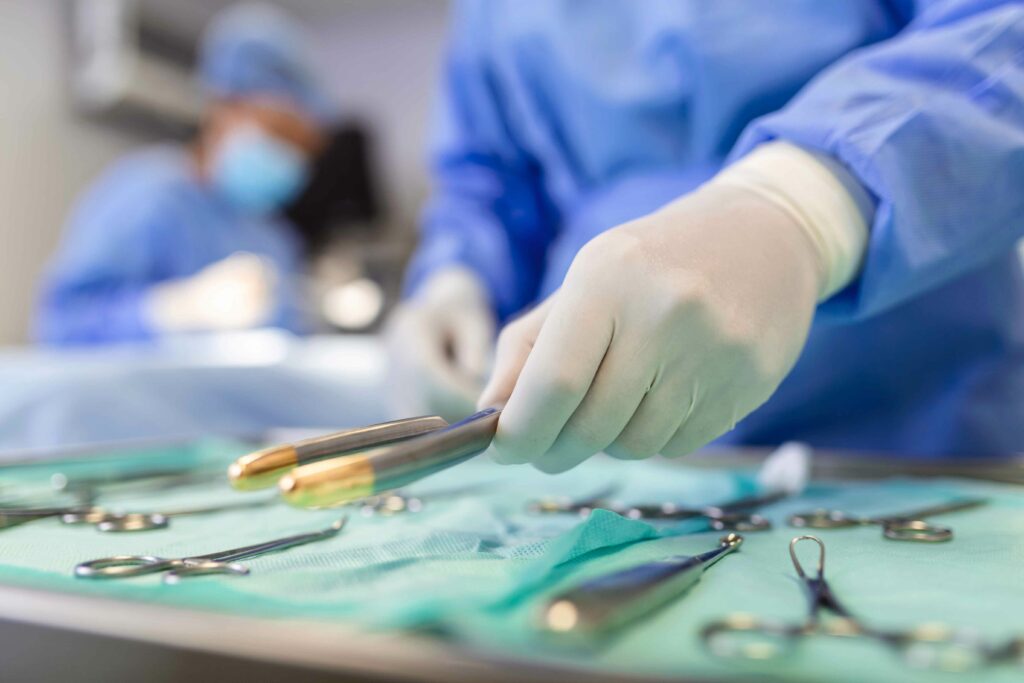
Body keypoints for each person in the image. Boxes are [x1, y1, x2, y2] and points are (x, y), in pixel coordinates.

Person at [390, 0, 1024, 470]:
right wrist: (458, 275)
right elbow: (491, 171)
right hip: (595, 456)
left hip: (907, 439)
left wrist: (805, 204)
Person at [35, 3, 332, 345]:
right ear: (222, 108)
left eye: (304, 149)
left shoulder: (275, 239)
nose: (290, 159)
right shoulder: (148, 198)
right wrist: (173, 310)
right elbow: (61, 326)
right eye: (281, 135)